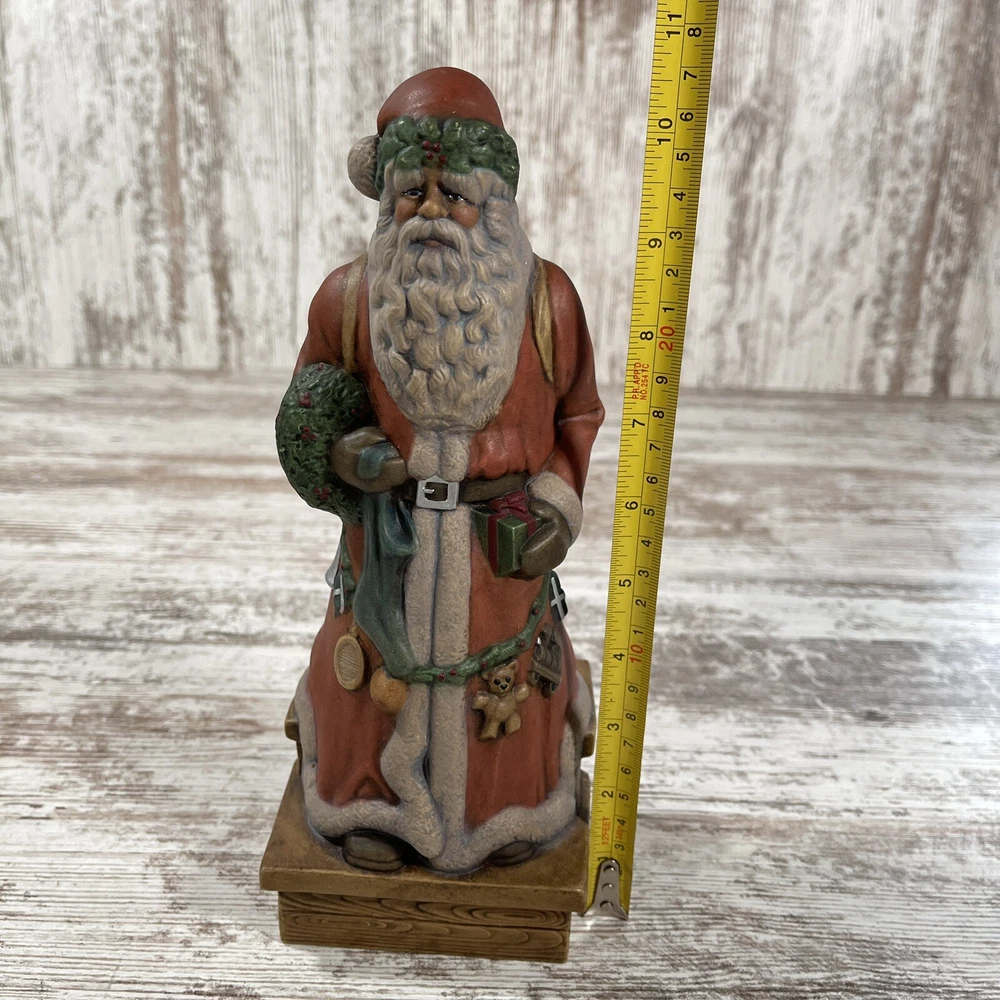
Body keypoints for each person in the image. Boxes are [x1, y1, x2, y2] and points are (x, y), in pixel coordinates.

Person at [282, 67, 604, 874]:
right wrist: (342, 455)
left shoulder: (548, 301)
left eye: (452, 194)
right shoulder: (349, 300)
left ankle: (507, 811)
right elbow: (308, 409)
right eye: (409, 193)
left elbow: (578, 416)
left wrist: (556, 506)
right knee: (373, 679)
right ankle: (371, 805)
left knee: (500, 682)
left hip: (497, 546)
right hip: (385, 543)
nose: (429, 211)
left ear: (493, 204)